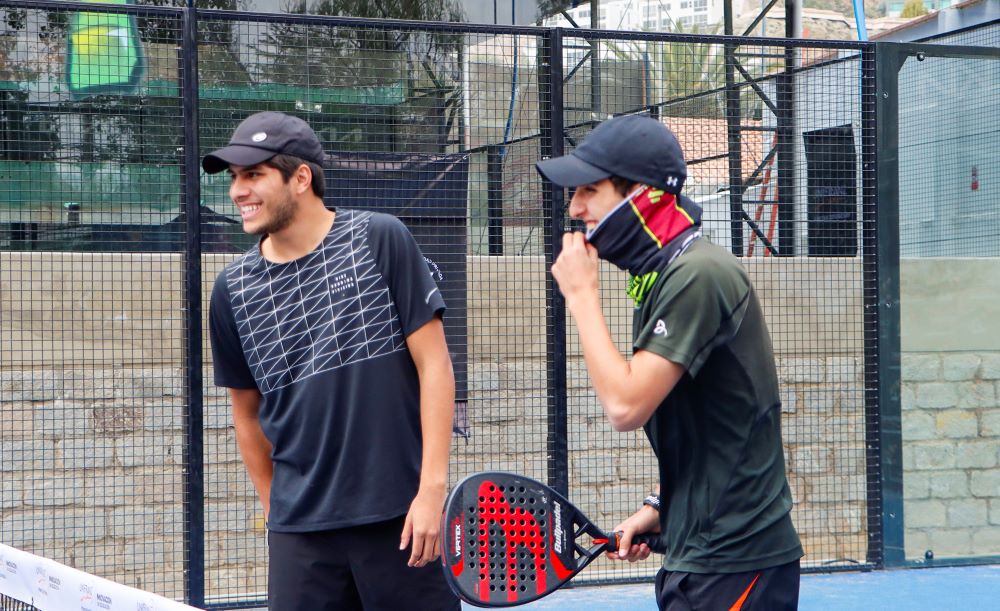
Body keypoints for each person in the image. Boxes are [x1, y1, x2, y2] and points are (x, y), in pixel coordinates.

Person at [537, 115, 803, 610]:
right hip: (699, 557)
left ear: (646, 195)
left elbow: (624, 406)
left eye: (589, 190)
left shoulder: (698, 274)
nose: (575, 208)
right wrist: (659, 509)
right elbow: (715, 431)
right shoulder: (666, 275)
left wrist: (580, 294)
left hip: (736, 560)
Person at [204, 111, 460, 611]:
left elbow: (435, 367)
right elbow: (246, 413)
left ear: (301, 178)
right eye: (235, 178)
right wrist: (276, 512)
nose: (238, 191)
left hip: (403, 521)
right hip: (300, 537)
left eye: (253, 174)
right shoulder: (230, 290)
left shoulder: (380, 238)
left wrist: (431, 492)